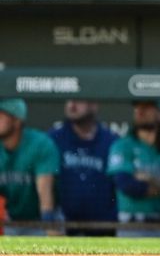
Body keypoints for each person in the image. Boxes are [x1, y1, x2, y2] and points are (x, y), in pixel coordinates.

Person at [49, 100, 118, 235]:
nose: (71, 105)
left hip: (103, 228)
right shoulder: (53, 139)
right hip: (63, 226)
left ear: (94, 104)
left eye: (78, 100)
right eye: (68, 100)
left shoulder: (111, 140)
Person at [107, 101, 160, 237]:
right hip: (132, 226)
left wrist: (150, 178)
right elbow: (128, 186)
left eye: (147, 107)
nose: (140, 111)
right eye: (137, 107)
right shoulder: (123, 145)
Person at [0, 99, 59, 236]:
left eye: (1, 115)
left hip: (43, 218)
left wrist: (48, 224)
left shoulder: (39, 144)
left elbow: (44, 190)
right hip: (13, 220)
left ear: (17, 121)